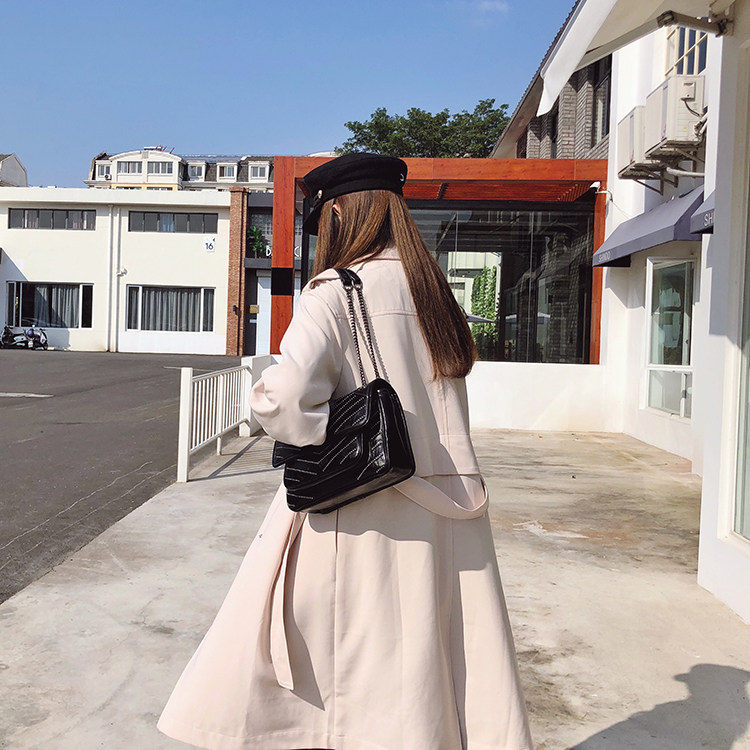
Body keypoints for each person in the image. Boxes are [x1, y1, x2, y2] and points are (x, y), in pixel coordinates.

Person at [157, 153, 533, 750]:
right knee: (432, 663)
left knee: (347, 673)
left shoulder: (334, 292)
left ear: (337, 215)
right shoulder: (434, 291)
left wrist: (294, 413)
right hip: (450, 508)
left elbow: (285, 400)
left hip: (360, 504)